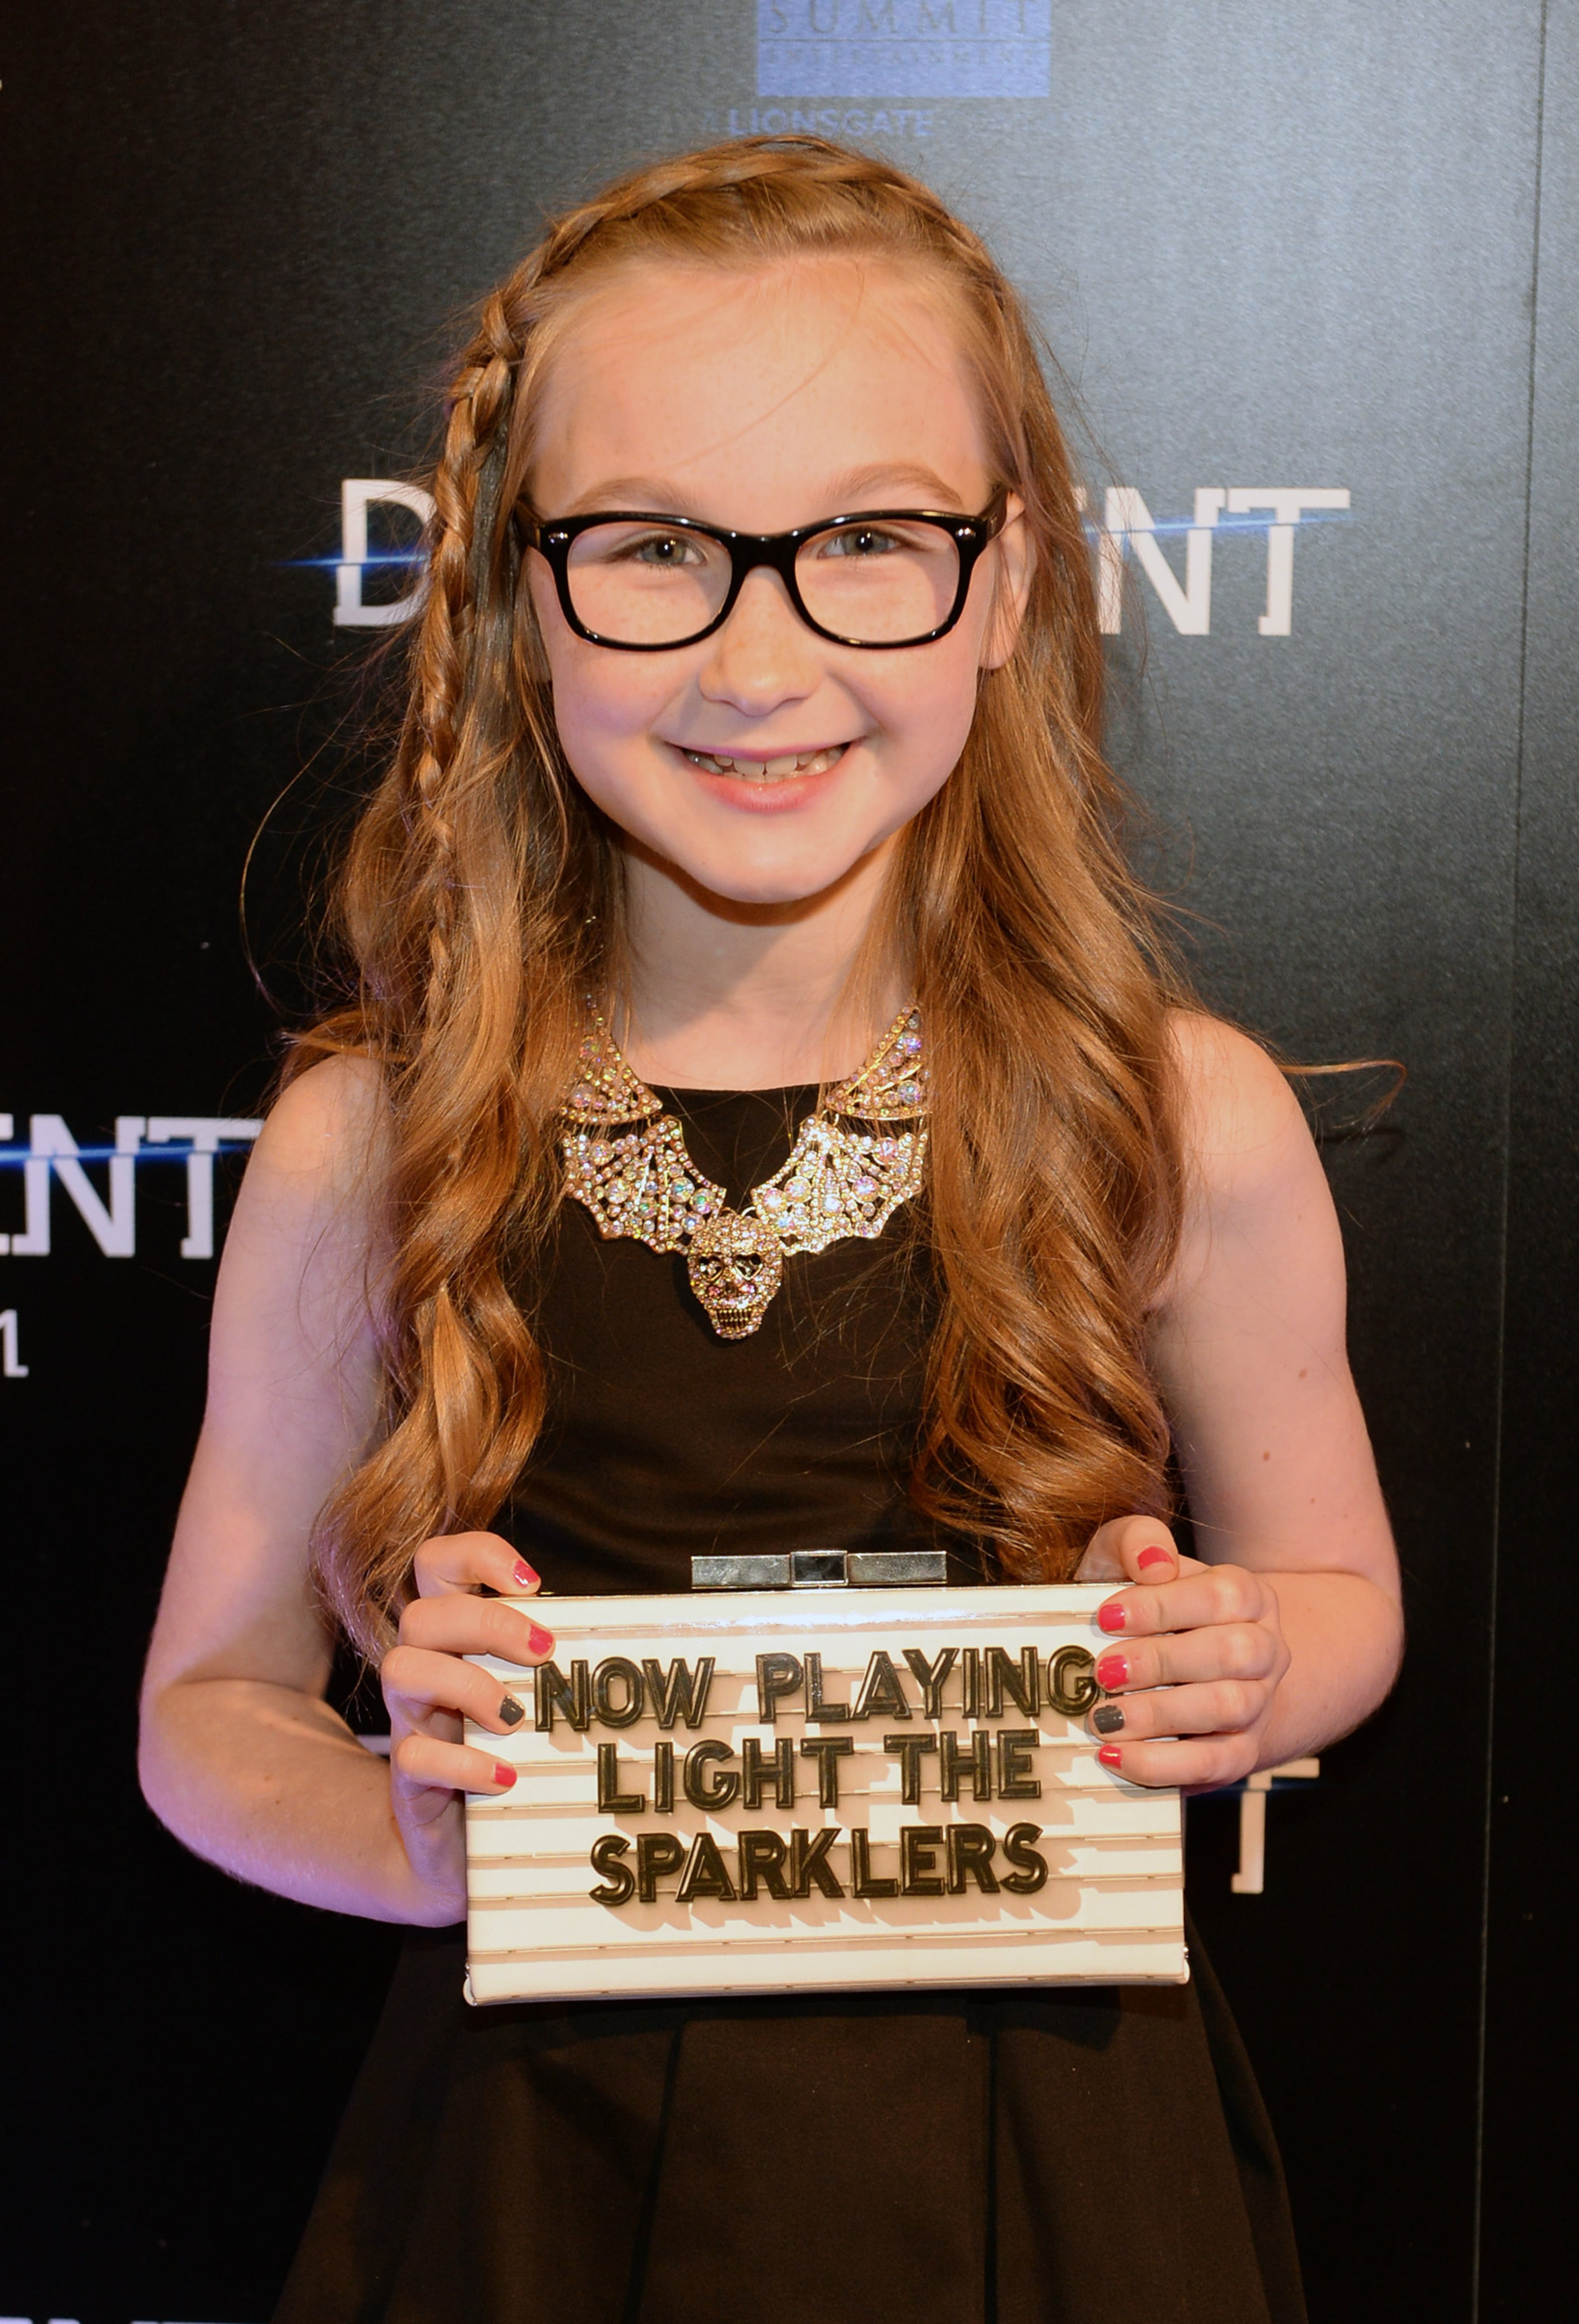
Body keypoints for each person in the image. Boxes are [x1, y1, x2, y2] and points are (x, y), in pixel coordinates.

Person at [138, 137, 1402, 2324]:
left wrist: (1247, 1662)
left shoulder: (1170, 1114)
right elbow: (207, 1707)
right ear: (518, 589)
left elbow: (1342, 1589)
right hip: (532, 2181)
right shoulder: (375, 1140)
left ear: (1007, 578)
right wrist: (409, 1843)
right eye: (653, 548)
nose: (758, 653)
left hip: (1058, 2186)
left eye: (868, 542)